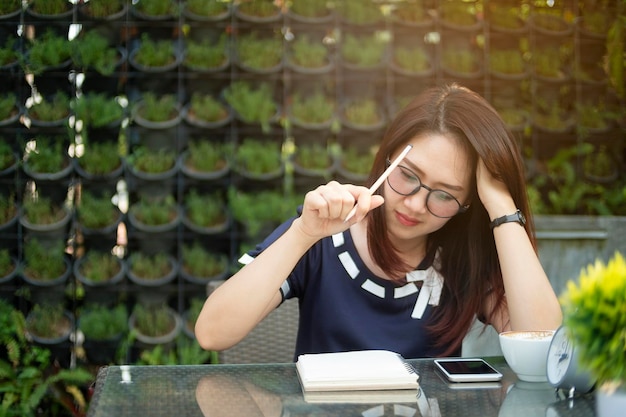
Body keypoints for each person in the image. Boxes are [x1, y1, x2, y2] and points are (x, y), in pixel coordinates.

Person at [195, 83, 562, 359]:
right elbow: (212, 333)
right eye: (407, 175)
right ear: (387, 157)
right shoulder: (324, 234)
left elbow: (544, 345)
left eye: (445, 195)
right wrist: (303, 234)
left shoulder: (461, 258)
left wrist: (500, 205)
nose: (416, 204)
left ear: (469, 204)